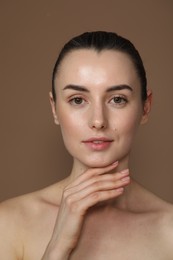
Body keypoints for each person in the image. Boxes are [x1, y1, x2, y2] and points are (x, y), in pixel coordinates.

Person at [0, 31, 173, 260]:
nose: (98, 121)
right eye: (78, 100)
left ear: (145, 107)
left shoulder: (168, 230)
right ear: (54, 109)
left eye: (117, 99)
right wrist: (57, 246)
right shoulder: (9, 223)